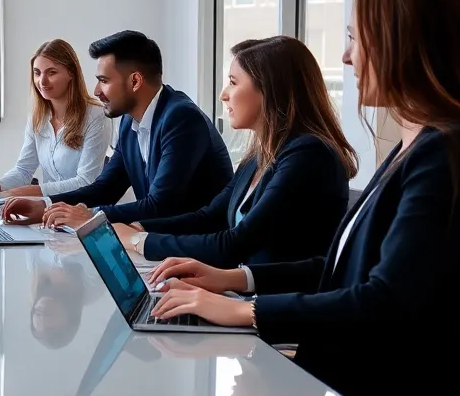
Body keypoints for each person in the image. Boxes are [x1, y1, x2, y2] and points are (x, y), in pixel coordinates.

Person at [148, 0, 460, 396]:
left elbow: (386, 303)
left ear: (405, 43)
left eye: (354, 38)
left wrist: (243, 312)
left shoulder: (458, 153)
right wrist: (234, 281)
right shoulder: (420, 144)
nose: (346, 58)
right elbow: (341, 270)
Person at [111, 36, 358, 268]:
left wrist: (140, 241)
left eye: (233, 82)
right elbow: (209, 217)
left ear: (269, 91)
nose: (223, 95)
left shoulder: (308, 155)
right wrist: (138, 227)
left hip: (275, 306)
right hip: (246, 295)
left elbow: (234, 244)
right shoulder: (260, 154)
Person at [2, 30, 232, 229]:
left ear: (135, 82)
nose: (96, 91)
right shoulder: (129, 123)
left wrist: (90, 216)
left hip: (196, 256)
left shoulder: (181, 118)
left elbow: (161, 205)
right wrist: (45, 206)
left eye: (104, 80)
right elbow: (105, 189)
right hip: (157, 244)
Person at [0, 39, 112, 198]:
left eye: (51, 73)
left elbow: (86, 181)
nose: (42, 82)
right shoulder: (38, 117)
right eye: (37, 73)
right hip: (47, 210)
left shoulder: (96, 116)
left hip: (81, 210)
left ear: (71, 73)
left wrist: (27, 192)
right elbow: (24, 170)